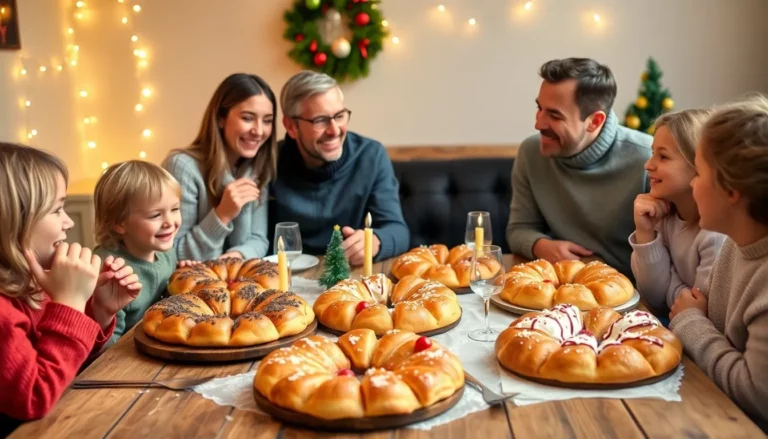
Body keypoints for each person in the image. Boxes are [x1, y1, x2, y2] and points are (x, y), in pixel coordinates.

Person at [0, 143, 140, 433]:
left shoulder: (35, 283)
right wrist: (70, 304)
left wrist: (97, 312)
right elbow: (34, 396)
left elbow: (64, 368)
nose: (68, 221)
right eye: (57, 209)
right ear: (13, 223)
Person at [670, 94, 768, 431]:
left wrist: (690, 322)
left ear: (732, 190)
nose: (693, 184)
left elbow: (756, 395)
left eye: (698, 172)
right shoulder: (734, 244)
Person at [506, 57, 653, 278]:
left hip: (633, 295)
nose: (538, 124)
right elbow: (519, 229)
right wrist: (542, 246)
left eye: (554, 115)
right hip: (563, 288)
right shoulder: (530, 152)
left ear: (594, 121)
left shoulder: (648, 158)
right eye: (540, 108)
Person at [270, 70, 409, 265]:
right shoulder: (269, 162)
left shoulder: (371, 155)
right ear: (291, 127)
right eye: (320, 120)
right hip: (288, 279)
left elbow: (398, 230)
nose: (334, 130)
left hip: (352, 276)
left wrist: (376, 241)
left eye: (340, 116)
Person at [163, 73, 278, 261]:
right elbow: (172, 253)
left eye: (267, 120)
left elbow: (259, 239)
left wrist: (237, 256)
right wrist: (222, 214)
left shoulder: (256, 168)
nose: (259, 131)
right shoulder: (182, 167)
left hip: (236, 279)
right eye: (248, 118)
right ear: (220, 118)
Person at [629, 109, 726, 313]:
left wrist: (668, 282)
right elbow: (652, 296)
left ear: (698, 165)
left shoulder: (715, 234)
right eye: (652, 153)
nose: (648, 164)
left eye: (663, 156)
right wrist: (645, 234)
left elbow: (697, 310)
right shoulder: (663, 212)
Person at [93, 160, 197, 345]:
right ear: (119, 223)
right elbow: (106, 348)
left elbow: (163, 297)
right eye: (155, 215)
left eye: (175, 209)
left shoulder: (164, 251)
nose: (170, 222)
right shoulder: (112, 273)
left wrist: (179, 278)